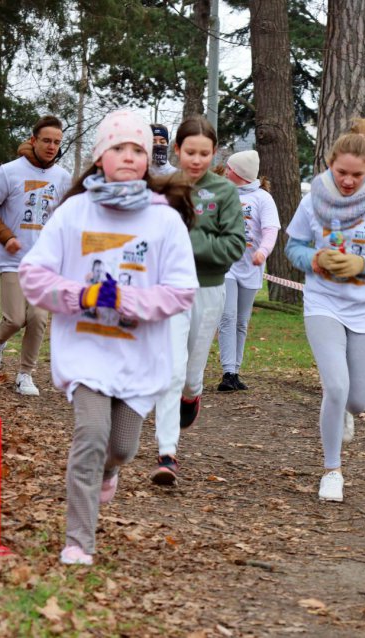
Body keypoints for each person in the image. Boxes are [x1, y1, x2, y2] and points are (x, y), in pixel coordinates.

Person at [18, 110, 198, 565]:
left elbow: (182, 291)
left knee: (120, 448)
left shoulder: (165, 221)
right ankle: (79, 541)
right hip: (87, 353)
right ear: (100, 157)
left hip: (139, 358)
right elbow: (33, 276)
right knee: (91, 436)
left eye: (137, 149)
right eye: (119, 147)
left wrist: (128, 302)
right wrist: (83, 295)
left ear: (147, 160)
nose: (128, 156)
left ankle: (110, 472)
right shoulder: (75, 212)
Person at [285, 115, 365, 503]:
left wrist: (363, 265)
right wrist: (316, 261)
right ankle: (332, 470)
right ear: (329, 165)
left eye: (357, 174)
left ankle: (345, 412)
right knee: (335, 387)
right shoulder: (312, 201)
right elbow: (293, 249)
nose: (348, 181)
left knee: (357, 400)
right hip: (323, 302)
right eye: (341, 172)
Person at [151, 116, 246, 485]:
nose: (197, 160)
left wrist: (187, 243)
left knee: (190, 377)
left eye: (204, 153)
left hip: (208, 289)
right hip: (168, 290)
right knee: (171, 371)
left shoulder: (223, 192)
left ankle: (193, 397)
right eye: (190, 152)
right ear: (177, 150)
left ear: (214, 154)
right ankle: (167, 454)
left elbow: (234, 245)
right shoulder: (161, 188)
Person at [0, 115, 72, 396]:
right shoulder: (10, 171)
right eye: (46, 140)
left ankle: (25, 375)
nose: (52, 146)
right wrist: (7, 237)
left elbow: (66, 219)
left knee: (39, 319)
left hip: (44, 264)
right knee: (15, 318)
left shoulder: (63, 178)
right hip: (13, 260)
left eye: (57, 142)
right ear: (33, 140)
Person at [216, 150, 280, 392]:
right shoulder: (223, 193)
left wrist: (262, 251)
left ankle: (236, 371)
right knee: (228, 317)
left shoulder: (263, 199)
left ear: (239, 173)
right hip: (227, 266)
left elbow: (271, 230)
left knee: (242, 321)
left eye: (229, 168)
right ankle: (228, 372)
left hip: (251, 267)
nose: (225, 171)